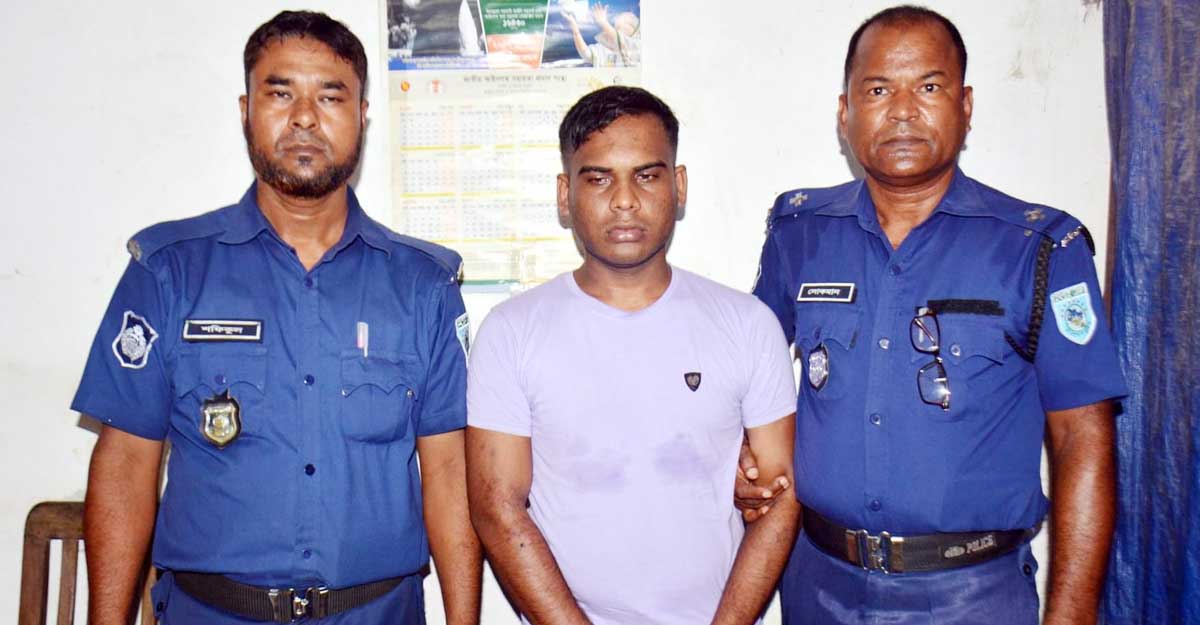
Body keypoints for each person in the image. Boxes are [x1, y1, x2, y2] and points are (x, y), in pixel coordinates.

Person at [72, 11, 480, 625]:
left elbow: (449, 471)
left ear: (363, 115)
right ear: (246, 110)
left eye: (331, 96)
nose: (305, 118)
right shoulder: (169, 272)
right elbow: (127, 462)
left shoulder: (424, 285)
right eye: (281, 93)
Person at [742, 6, 1126, 625]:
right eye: (877, 90)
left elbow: (1082, 438)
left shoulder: (1040, 248)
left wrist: (1072, 616)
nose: (901, 111)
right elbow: (747, 380)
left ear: (965, 106)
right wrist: (745, 461)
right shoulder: (800, 234)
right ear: (844, 113)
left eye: (928, 87)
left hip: (972, 597)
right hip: (818, 587)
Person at [466, 86, 799, 625]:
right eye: (598, 179)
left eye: (646, 176)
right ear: (564, 194)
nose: (624, 200)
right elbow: (496, 508)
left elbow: (780, 498)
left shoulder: (747, 324)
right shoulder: (511, 333)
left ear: (679, 185)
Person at [562, 4, 641, 68]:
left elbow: (620, 41)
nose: (618, 30)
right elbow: (585, 53)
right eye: (617, 27)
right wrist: (575, 31)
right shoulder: (604, 48)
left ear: (635, 29)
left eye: (624, 26)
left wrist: (602, 22)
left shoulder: (637, 45)